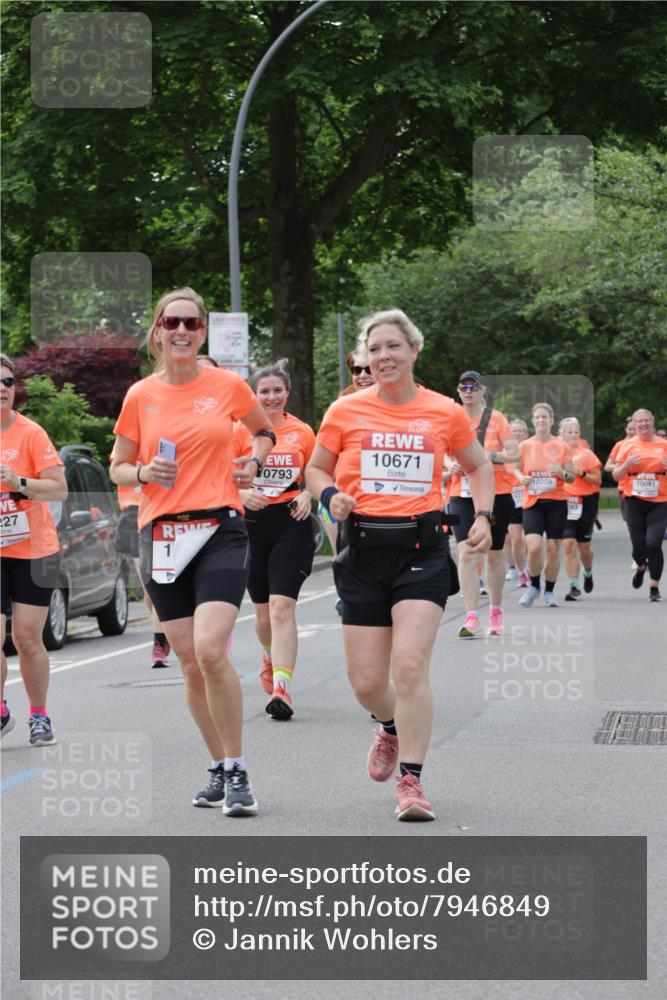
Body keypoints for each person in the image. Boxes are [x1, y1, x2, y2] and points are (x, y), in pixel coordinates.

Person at [306, 309, 494, 822]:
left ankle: (411, 781)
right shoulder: (344, 411)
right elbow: (316, 468)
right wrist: (330, 495)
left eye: (393, 346)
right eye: (374, 349)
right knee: (367, 683)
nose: (383, 356)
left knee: (409, 666)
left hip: (421, 550)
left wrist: (483, 514)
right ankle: (389, 724)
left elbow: (479, 465)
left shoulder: (443, 411)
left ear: (414, 350)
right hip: (363, 553)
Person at [110, 288, 275, 816]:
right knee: (189, 663)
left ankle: (240, 769)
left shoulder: (226, 385)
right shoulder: (140, 395)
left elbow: (264, 431)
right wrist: (142, 472)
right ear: (158, 331)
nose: (181, 331)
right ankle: (220, 765)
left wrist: (254, 461)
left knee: (209, 649)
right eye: (171, 322)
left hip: (220, 529)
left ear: (202, 332)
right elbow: (118, 466)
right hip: (161, 536)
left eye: (191, 323)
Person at [234, 359, 316, 720]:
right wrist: (240, 495)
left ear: (288, 393)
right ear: (254, 396)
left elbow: (317, 472)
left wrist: (308, 494)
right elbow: (215, 476)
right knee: (263, 612)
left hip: (290, 521)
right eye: (264, 392)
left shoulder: (302, 431)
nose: (271, 397)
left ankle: (282, 687)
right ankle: (267, 656)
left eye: (277, 390)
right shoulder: (238, 431)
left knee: (283, 606)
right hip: (250, 525)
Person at [0, 353, 68, 746]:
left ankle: (39, 716)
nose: (2, 389)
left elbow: (59, 489)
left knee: (26, 638)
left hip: (33, 549)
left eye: (8, 382)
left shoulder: (31, 434)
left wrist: (19, 482)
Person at [447, 371, 518, 638]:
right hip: (462, 493)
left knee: (493, 553)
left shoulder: (496, 418)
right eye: (463, 387)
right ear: (458, 391)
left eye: (473, 387)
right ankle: (471, 616)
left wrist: (485, 456)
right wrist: (450, 465)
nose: (468, 391)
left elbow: (514, 453)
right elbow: (441, 450)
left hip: (496, 492)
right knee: (466, 551)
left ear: (482, 391)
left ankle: (495, 611)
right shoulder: (451, 417)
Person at [514, 402, 575, 608]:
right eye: (538, 417)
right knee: (533, 548)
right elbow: (515, 468)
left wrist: (561, 473)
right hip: (533, 503)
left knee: (552, 549)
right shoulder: (524, 446)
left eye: (545, 417)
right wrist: (521, 477)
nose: (541, 420)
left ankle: (549, 591)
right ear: (533, 421)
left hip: (557, 503)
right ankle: (534, 586)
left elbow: (572, 477)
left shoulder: (562, 446)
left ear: (551, 421)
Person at [612, 409, 667, 601]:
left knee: (654, 543)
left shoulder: (664, 444)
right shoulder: (627, 445)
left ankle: (654, 587)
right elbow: (615, 475)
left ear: (652, 422)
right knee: (639, 547)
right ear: (634, 425)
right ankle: (641, 567)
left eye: (646, 420)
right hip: (634, 501)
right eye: (639, 421)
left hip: (660, 501)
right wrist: (626, 465)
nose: (643, 424)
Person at [115, 481, 171, 668]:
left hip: (162, 508)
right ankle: (168, 625)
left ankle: (159, 643)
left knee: (158, 586)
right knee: (149, 591)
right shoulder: (126, 458)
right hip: (133, 513)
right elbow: (118, 473)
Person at [559, 417, 602, 600]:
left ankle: (588, 571)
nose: (573, 435)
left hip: (585, 502)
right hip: (564, 501)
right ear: (561, 433)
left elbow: (597, 480)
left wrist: (581, 473)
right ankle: (574, 585)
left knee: (584, 547)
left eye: (576, 431)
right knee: (568, 544)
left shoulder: (587, 454)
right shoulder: (555, 454)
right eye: (569, 432)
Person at [506, 418, 530, 587]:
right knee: (514, 540)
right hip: (511, 499)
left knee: (528, 538)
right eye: (513, 431)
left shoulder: (531, 451)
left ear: (526, 434)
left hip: (529, 498)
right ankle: (520, 571)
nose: (517, 434)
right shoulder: (504, 454)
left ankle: (526, 563)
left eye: (520, 431)